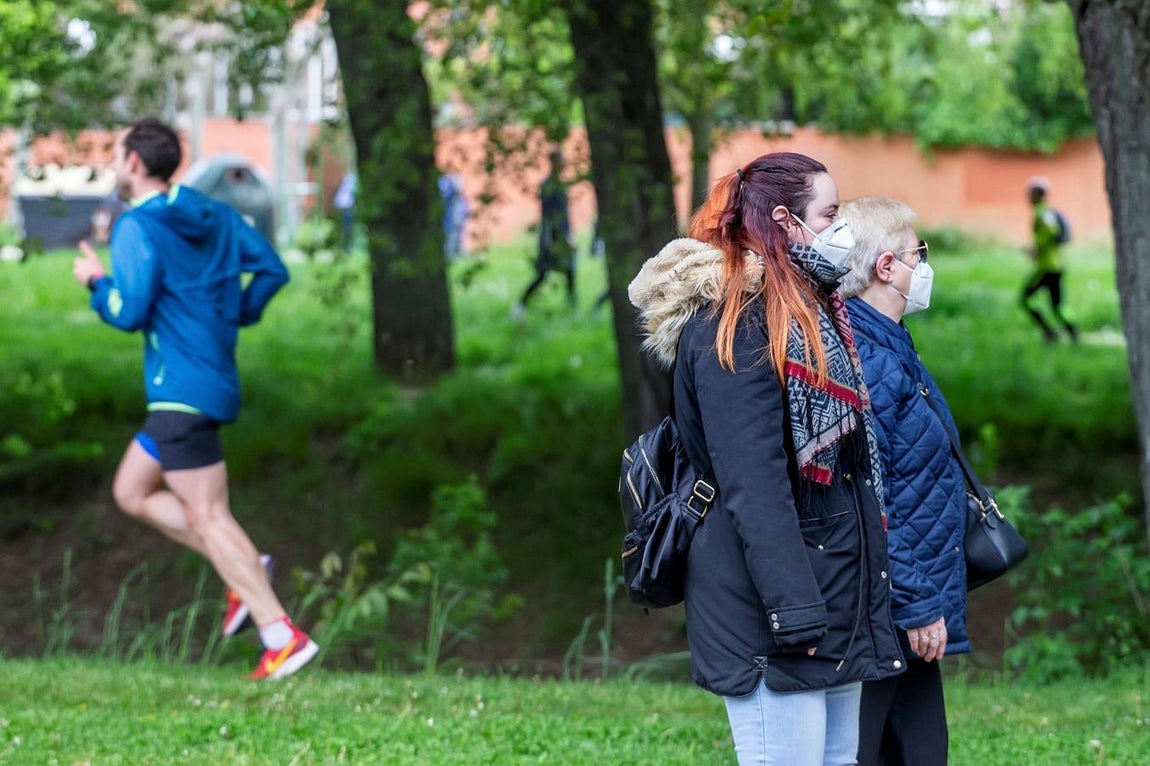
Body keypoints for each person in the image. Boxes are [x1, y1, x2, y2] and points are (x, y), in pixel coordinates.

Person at [628, 152, 905, 766]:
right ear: (785, 220)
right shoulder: (735, 325)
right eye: (829, 214)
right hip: (771, 609)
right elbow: (753, 485)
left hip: (826, 594)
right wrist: (795, 609)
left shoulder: (812, 312)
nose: (842, 231)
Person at [70, 117, 319, 681]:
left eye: (115, 152)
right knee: (131, 490)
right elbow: (272, 270)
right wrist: (238, 313)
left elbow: (128, 312)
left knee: (208, 515)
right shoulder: (215, 213)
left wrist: (94, 282)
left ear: (134, 162)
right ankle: (245, 569)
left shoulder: (137, 227)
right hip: (203, 383)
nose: (114, 162)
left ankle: (281, 635)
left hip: (181, 390)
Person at [837, 196, 971, 765]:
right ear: (886, 267)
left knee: (919, 749)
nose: (926, 266)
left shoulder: (891, 346)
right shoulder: (866, 357)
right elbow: (872, 495)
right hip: (892, 610)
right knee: (876, 751)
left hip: (909, 606)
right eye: (919, 253)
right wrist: (917, 604)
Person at [512, 148, 575, 317]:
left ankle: (572, 307)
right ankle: (520, 305)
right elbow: (551, 216)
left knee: (570, 272)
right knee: (543, 274)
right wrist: (562, 236)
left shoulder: (558, 184)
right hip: (552, 237)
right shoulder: (548, 185)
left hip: (561, 235)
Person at [1021, 176, 1078, 343]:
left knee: (1025, 299)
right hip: (1056, 266)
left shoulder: (1043, 212)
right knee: (1058, 306)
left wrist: (1036, 248)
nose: (1027, 197)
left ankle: (1050, 332)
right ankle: (1072, 332)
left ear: (1038, 195)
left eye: (1030, 193)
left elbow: (1050, 232)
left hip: (1047, 267)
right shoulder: (1046, 212)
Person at [438, 172, 469, 259]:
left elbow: (465, 208)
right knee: (449, 239)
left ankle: (458, 254)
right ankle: (449, 255)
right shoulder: (448, 193)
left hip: (457, 220)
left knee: (459, 237)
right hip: (449, 222)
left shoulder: (460, 198)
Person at [333, 171, 357, 252]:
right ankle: (346, 247)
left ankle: (348, 247)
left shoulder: (349, 187)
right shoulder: (348, 187)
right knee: (347, 231)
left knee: (348, 231)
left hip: (348, 212)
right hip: (347, 212)